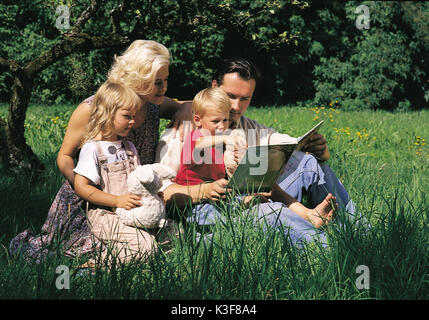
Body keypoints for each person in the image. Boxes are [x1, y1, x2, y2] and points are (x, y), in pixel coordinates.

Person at [9, 40, 192, 263]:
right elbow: (64, 157)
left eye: (165, 80)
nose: (164, 88)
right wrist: (93, 190)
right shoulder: (94, 108)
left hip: (132, 196)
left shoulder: (153, 104)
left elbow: (186, 104)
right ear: (136, 79)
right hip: (94, 198)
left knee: (171, 238)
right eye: (157, 82)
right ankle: (92, 267)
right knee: (119, 247)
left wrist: (184, 109)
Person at [157, 58, 356, 246]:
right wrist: (205, 191)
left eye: (245, 99)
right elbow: (162, 191)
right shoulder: (183, 130)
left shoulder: (248, 127)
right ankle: (329, 251)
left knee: (309, 164)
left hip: (237, 200)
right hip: (206, 212)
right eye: (231, 96)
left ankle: (358, 233)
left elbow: (285, 142)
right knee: (268, 210)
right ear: (215, 87)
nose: (236, 107)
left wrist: (318, 149)